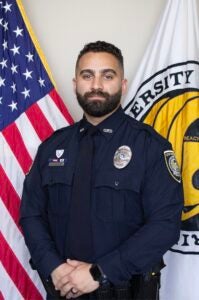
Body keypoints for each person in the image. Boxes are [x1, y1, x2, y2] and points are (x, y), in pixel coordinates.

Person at [20, 41, 183, 300]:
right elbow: (31, 214)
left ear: (123, 84)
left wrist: (100, 273)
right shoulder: (52, 147)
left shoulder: (150, 147)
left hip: (125, 293)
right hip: (63, 291)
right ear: (76, 84)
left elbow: (165, 225)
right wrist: (54, 266)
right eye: (87, 75)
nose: (96, 85)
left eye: (107, 75)